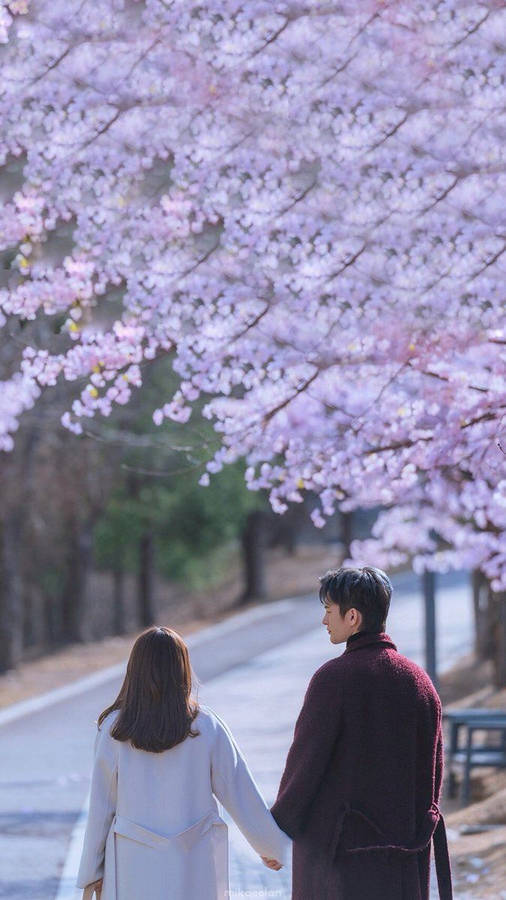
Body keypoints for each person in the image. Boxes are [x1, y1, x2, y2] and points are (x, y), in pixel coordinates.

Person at [269, 566, 454, 900]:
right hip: (404, 858)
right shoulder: (420, 683)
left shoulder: (333, 679)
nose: (324, 621)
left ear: (352, 616)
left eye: (328, 611)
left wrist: (272, 833)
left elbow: (304, 769)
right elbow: (433, 777)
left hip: (338, 860)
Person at [76, 626, 290, 900]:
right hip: (195, 860)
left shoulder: (114, 730)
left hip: (131, 866)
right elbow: (240, 793)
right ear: (183, 668)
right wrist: (273, 848)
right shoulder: (206, 727)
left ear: (135, 671)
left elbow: (101, 807)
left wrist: (91, 873)